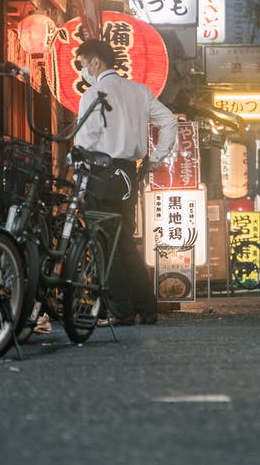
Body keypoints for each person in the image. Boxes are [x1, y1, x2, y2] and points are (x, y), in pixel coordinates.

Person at [73, 39, 177, 326]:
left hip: (100, 175)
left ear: (95, 63)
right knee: (124, 242)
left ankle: (124, 310)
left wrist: (79, 185)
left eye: (83, 64)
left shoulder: (93, 94)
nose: (83, 70)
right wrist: (155, 158)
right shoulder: (139, 92)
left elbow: (83, 143)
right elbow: (169, 122)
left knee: (108, 244)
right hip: (129, 175)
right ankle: (146, 307)